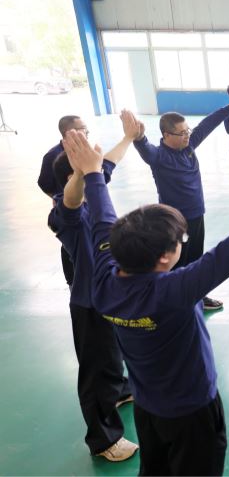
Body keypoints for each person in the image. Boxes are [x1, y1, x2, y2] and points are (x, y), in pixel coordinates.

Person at [63, 128, 229, 475]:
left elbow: (102, 221)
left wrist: (92, 174)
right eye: (180, 241)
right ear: (165, 257)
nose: (182, 244)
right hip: (193, 413)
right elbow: (227, 254)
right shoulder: (173, 291)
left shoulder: (103, 281)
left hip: (147, 409)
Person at [47, 112, 141, 463]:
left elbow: (109, 162)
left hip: (113, 294)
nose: (100, 175)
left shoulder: (93, 188)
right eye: (91, 173)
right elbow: (71, 200)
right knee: (97, 370)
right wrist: (82, 172)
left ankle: (121, 390)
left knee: (116, 353)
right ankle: (103, 440)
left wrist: (128, 137)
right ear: (73, 176)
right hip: (90, 303)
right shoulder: (65, 214)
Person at [131, 98, 229, 311]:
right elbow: (145, 149)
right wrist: (139, 137)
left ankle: (198, 295)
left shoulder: (188, 146)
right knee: (177, 261)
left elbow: (208, 123)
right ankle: (175, 302)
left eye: (187, 130)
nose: (187, 135)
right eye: (181, 133)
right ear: (166, 135)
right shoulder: (159, 156)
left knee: (196, 258)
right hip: (175, 221)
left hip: (197, 214)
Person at [39, 114, 88, 288]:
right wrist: (60, 199)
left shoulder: (84, 151)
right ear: (69, 132)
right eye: (83, 129)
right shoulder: (53, 156)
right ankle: (73, 281)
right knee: (71, 244)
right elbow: (44, 183)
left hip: (86, 205)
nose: (86, 132)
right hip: (70, 210)